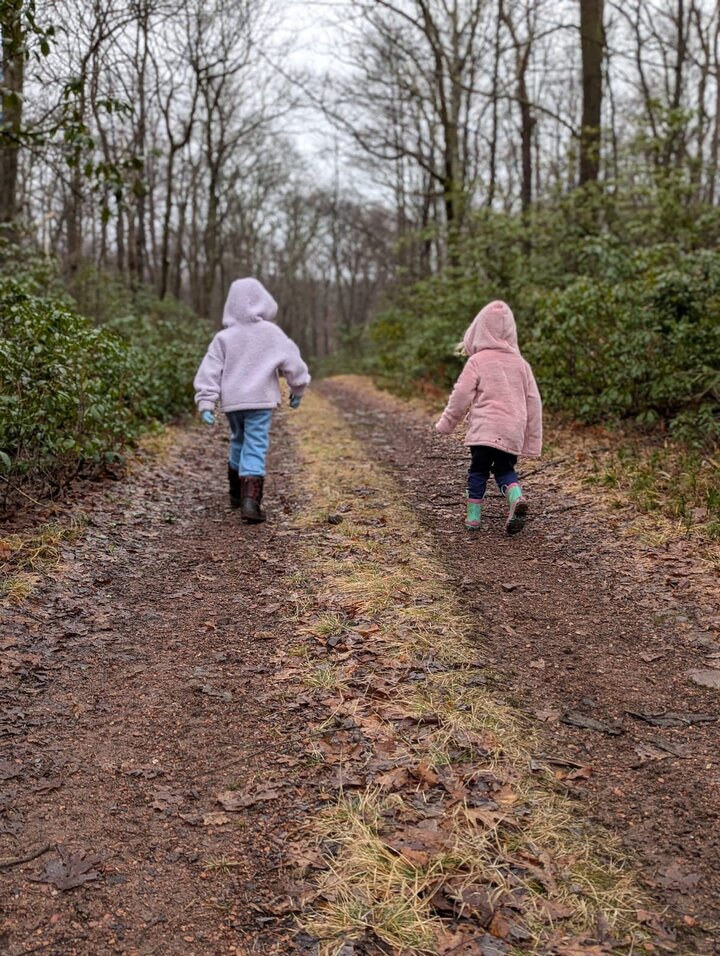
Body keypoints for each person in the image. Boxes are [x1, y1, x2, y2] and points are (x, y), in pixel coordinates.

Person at [194, 277, 310, 523]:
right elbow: (293, 363)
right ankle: (251, 501)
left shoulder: (224, 338)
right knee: (255, 445)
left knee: (238, 440)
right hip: (260, 402)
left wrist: (206, 402)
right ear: (263, 302)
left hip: (233, 403)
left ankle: (236, 494)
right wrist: (297, 389)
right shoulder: (272, 334)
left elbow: (210, 370)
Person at [435, 300, 542, 535]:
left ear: (478, 330)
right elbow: (534, 403)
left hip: (484, 429)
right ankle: (516, 497)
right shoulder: (522, 365)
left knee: (478, 470)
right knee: (505, 470)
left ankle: (473, 517)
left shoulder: (477, 361)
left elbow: (461, 394)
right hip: (511, 429)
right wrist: (532, 441)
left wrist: (447, 423)